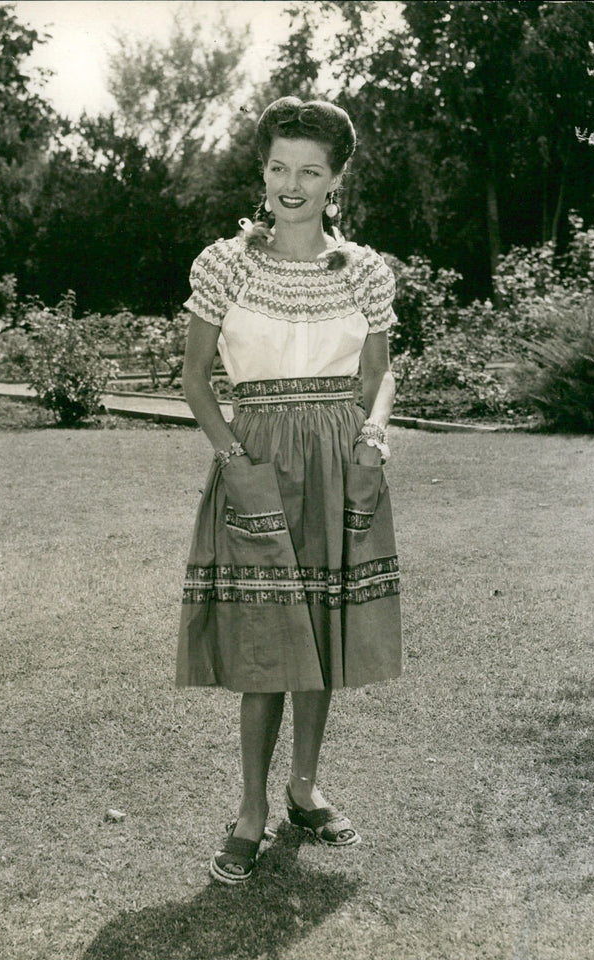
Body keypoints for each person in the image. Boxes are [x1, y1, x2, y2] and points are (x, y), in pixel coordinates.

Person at [176, 96, 402, 885]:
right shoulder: (224, 263)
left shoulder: (367, 269)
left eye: (310, 170)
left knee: (322, 637)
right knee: (267, 644)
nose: (292, 184)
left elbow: (378, 378)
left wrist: (375, 439)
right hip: (258, 455)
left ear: (335, 179)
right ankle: (250, 810)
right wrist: (233, 457)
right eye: (279, 168)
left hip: (344, 458)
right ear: (263, 171)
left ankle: (304, 788)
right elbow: (195, 378)